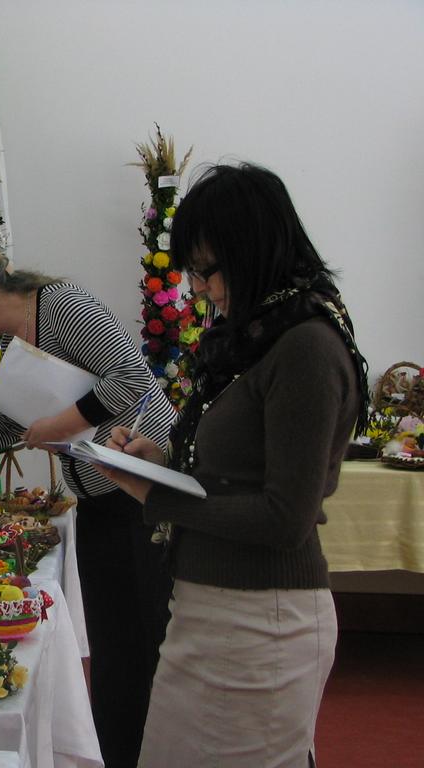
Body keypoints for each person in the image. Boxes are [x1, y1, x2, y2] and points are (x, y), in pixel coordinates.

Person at [99, 163, 369, 767]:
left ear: (254, 250)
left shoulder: (306, 347)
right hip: (213, 608)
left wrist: (157, 495)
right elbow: (234, 468)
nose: (197, 288)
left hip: (261, 622)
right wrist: (162, 461)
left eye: (205, 269)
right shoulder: (254, 337)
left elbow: (284, 518)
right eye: (191, 272)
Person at [0, 244, 176, 768]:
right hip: (99, 499)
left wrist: (58, 426)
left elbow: (131, 378)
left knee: (145, 645)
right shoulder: (17, 335)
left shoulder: (63, 306)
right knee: (114, 649)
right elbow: (18, 417)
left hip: (141, 495)